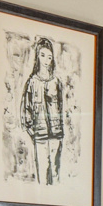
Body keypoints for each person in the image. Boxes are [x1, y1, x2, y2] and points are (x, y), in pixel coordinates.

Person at [20, 38, 67, 184]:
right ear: (37, 56)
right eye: (42, 55)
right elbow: (25, 108)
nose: (46, 60)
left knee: (55, 172)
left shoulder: (56, 82)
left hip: (56, 134)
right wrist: (30, 129)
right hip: (39, 134)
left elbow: (61, 107)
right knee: (43, 172)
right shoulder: (32, 82)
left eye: (49, 57)